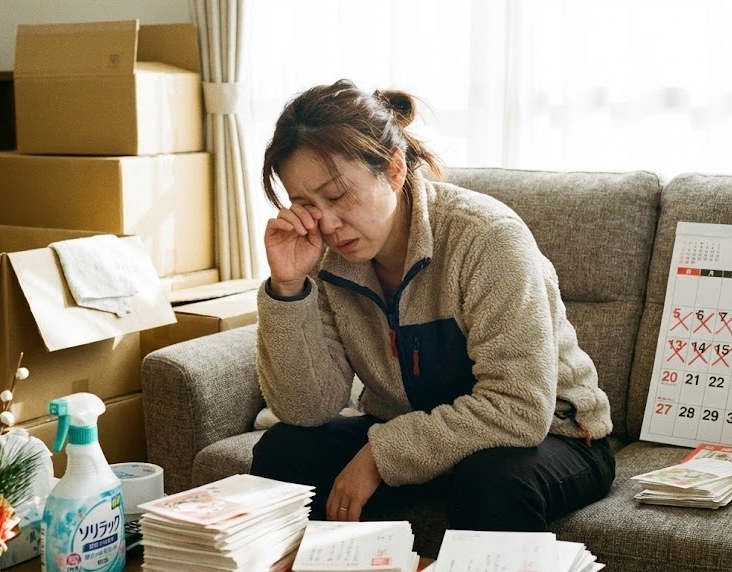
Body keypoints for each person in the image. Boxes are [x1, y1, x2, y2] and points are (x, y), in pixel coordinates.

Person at [250, 79, 615, 532]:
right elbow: (307, 410)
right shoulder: (327, 262)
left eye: (338, 196)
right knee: (284, 451)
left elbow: (519, 409)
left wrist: (380, 455)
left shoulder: (487, 238)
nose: (326, 222)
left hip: (551, 438)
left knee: (491, 482)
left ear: (394, 169)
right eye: (305, 204)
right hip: (418, 435)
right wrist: (288, 287)